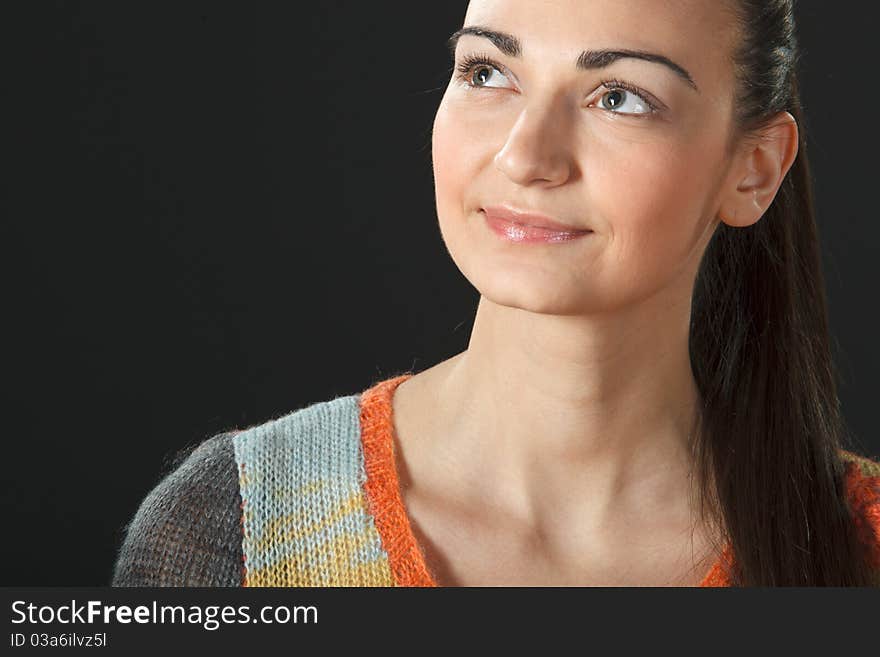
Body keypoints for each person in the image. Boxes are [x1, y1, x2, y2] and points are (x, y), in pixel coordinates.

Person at [112, 0, 880, 587]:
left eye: (619, 97)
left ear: (754, 169)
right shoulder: (235, 527)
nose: (526, 157)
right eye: (488, 73)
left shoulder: (860, 545)